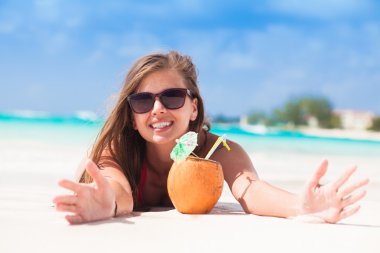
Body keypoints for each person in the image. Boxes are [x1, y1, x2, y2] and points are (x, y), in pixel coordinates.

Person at [53, 51, 369, 224]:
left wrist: (301, 206)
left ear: (194, 108)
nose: (158, 109)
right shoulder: (119, 148)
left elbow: (251, 191)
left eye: (172, 97)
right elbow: (117, 189)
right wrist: (107, 203)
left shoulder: (219, 149)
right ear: (132, 118)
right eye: (143, 101)